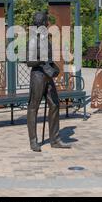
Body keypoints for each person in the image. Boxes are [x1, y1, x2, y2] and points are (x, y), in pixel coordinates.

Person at [26, 12, 71, 152]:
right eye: (46, 22)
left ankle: (55, 139)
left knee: (55, 104)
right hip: (38, 76)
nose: (47, 24)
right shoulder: (33, 40)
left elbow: (49, 60)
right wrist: (43, 61)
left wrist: (53, 67)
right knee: (33, 107)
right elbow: (29, 62)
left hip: (48, 76)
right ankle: (33, 141)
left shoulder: (46, 39)